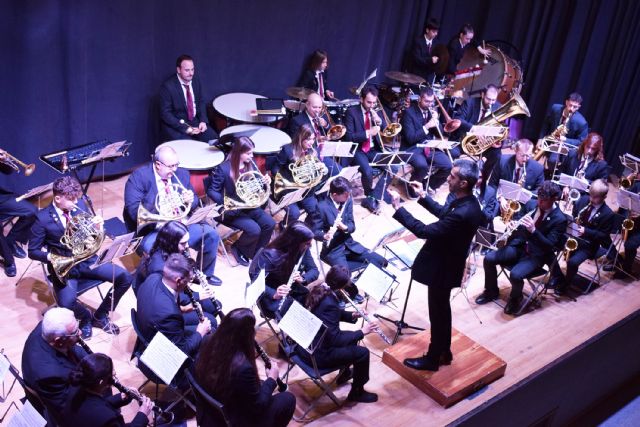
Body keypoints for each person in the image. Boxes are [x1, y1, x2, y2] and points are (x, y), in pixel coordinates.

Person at [388, 159, 483, 371]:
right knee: (442, 311)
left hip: (443, 268)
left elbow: (425, 231)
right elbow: (445, 214)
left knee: (438, 314)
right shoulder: (468, 202)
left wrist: (398, 209)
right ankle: (444, 352)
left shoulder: (464, 211)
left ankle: (433, 358)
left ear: (463, 183)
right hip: (448, 264)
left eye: (452, 176)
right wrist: (423, 196)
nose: (448, 179)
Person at [29, 176, 130, 338]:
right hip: (64, 267)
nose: (76, 202)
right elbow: (32, 251)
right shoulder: (42, 218)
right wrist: (54, 258)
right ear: (58, 198)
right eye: (71, 199)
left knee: (125, 278)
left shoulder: (80, 205)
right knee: (66, 303)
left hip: (87, 260)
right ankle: (85, 317)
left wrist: (97, 227)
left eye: (77, 198)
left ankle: (100, 315)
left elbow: (93, 235)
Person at [124, 145, 221, 285]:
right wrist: (163, 205)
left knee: (211, 235)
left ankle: (203, 274)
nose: (175, 169)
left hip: (182, 224)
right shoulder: (139, 177)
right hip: (154, 230)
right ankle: (166, 284)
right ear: (158, 165)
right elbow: (134, 211)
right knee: (155, 251)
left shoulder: (182, 174)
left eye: (176, 165)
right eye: (171, 166)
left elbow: (194, 201)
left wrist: (189, 200)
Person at [477, 181, 567, 314]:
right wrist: (513, 224)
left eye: (544, 200)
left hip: (536, 255)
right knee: (489, 258)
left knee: (515, 275)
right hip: (518, 246)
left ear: (554, 199)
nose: (539, 202)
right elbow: (519, 219)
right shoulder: (531, 204)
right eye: (539, 198)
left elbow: (549, 245)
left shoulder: (560, 219)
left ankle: (515, 298)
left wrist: (534, 230)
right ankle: (491, 291)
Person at [194, 308, 296, 427]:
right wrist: (272, 379)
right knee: (288, 399)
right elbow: (258, 407)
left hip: (210, 412)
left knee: (261, 385)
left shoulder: (208, 340)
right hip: (233, 420)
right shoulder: (243, 368)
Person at [300, 265, 379, 403]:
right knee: (363, 353)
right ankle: (357, 393)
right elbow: (335, 339)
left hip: (307, 345)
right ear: (341, 286)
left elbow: (329, 316)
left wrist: (352, 315)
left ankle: (345, 373)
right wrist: (362, 331)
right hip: (317, 355)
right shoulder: (330, 302)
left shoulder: (320, 289)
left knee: (351, 337)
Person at [309, 177, 387, 302]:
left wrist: (345, 228)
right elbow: (314, 231)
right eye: (345, 195)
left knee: (381, 261)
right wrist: (325, 236)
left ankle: (352, 279)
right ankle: (351, 291)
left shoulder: (347, 200)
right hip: (333, 250)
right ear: (335, 195)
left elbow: (352, 225)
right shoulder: (321, 207)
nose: (348, 196)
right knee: (344, 277)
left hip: (350, 245)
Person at [134, 220, 221, 329]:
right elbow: (170, 294)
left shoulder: (170, 251)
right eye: (183, 243)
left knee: (214, 306)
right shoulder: (160, 268)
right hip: (169, 304)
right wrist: (198, 296)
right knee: (211, 320)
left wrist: (193, 277)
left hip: (178, 290)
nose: (187, 246)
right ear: (171, 242)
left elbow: (179, 278)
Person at [207, 136, 275, 266]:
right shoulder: (224, 168)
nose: (252, 156)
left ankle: (257, 253)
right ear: (239, 152)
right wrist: (227, 202)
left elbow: (255, 184)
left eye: (252, 152)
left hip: (248, 205)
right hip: (231, 210)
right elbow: (212, 190)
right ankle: (238, 248)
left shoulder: (251, 164)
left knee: (270, 224)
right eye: (248, 153)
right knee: (254, 230)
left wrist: (264, 182)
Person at [135, 252, 211, 361]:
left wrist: (182, 309)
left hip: (156, 322)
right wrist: (200, 332)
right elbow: (182, 351)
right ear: (178, 281)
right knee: (210, 333)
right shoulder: (169, 314)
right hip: (163, 347)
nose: (188, 284)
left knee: (211, 320)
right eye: (188, 281)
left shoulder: (153, 277)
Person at [22, 307, 88, 425]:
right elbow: (68, 410)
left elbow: (74, 349)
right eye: (75, 332)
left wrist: (94, 360)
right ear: (58, 341)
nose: (80, 332)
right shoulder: (51, 375)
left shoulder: (45, 327)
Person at [551, 179, 614, 295]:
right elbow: (575, 215)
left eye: (595, 197)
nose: (591, 199)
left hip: (589, 245)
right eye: (591, 195)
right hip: (573, 237)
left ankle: (566, 284)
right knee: (549, 246)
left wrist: (586, 231)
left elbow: (603, 236)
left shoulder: (608, 214)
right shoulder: (584, 200)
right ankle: (557, 277)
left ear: (604, 197)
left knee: (572, 263)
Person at [249, 221, 319, 318]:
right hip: (270, 295)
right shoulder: (269, 255)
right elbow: (255, 281)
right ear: (295, 242)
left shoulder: (303, 249)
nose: (310, 246)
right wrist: (274, 293)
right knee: (292, 315)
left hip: (291, 289)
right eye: (307, 243)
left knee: (310, 301)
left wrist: (303, 278)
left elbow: (314, 270)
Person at [61, 353, 152, 427]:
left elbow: (97, 405)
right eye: (112, 374)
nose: (114, 374)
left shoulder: (76, 386)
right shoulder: (108, 419)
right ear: (101, 382)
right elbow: (99, 412)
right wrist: (143, 414)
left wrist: (120, 397)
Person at [344, 85, 391, 213]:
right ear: (361, 99)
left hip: (373, 149)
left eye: (374, 102)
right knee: (367, 171)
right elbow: (349, 137)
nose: (371, 105)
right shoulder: (351, 112)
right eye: (369, 102)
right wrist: (368, 132)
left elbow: (386, 130)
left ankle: (372, 197)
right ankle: (370, 197)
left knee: (393, 167)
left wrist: (380, 122)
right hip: (358, 150)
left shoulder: (376, 111)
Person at [272, 124, 330, 225]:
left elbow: (318, 170)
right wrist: (284, 179)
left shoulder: (313, 150)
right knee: (294, 213)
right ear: (300, 138)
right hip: (288, 189)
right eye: (308, 139)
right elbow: (275, 169)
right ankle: (284, 227)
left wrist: (322, 168)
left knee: (315, 210)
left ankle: (306, 227)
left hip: (305, 189)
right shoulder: (288, 150)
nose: (311, 142)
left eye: (313, 139)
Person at [400, 86, 453, 198]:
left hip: (428, 147)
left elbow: (439, 134)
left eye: (431, 101)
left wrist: (436, 121)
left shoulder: (430, 112)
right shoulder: (408, 113)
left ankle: (427, 184)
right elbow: (410, 138)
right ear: (419, 99)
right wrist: (427, 126)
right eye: (426, 101)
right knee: (422, 166)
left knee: (448, 165)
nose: (429, 104)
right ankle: (413, 188)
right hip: (412, 148)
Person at [453, 84, 503, 189]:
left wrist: (496, 140)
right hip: (464, 140)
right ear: (482, 94)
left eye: (493, 100)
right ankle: (457, 181)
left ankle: (482, 181)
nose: (491, 103)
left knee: (497, 154)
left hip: (483, 144)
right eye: (488, 99)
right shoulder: (469, 103)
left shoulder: (498, 107)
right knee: (453, 153)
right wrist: (475, 130)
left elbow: (501, 127)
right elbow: (458, 120)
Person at [159, 54, 216, 143]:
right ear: (178, 70)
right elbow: (165, 114)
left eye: (192, 69)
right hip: (177, 126)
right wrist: (186, 128)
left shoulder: (196, 81)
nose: (191, 73)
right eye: (187, 70)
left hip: (195, 122)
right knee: (190, 146)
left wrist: (203, 121)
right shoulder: (167, 87)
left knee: (214, 140)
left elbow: (201, 102)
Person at [0, 149, 37, 277]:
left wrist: (5, 160)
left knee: (32, 212)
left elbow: (8, 171)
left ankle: (11, 241)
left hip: (2, 197)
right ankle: (9, 261)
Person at [487, 139, 545, 216]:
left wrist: (525, 194)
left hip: (523, 203)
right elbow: (492, 184)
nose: (525, 159)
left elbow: (539, 190)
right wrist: (500, 198)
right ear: (515, 151)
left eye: (528, 155)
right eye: (522, 155)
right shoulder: (502, 161)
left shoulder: (538, 168)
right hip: (502, 198)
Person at [606, 178, 640, 278]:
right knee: (604, 232)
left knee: (629, 245)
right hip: (631, 221)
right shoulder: (638, 185)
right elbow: (626, 198)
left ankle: (626, 269)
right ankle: (616, 260)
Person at [411, 18, 441, 84]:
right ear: (427, 30)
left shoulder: (437, 43)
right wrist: (430, 60)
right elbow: (417, 59)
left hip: (429, 77)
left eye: (437, 32)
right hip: (418, 75)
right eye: (433, 32)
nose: (436, 34)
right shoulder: (418, 41)